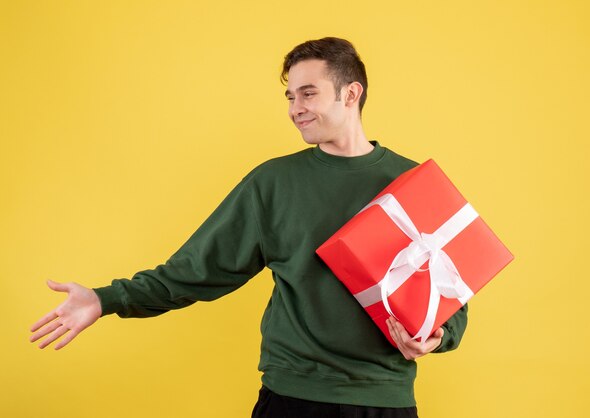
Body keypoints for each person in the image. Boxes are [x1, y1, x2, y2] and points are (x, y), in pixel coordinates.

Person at [30, 37, 468, 418]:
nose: (296, 109)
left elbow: (454, 302)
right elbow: (194, 270)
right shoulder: (273, 183)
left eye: (308, 94)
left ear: (350, 93)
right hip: (292, 400)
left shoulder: (412, 184)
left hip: (386, 401)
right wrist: (105, 300)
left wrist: (436, 336)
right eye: (290, 97)